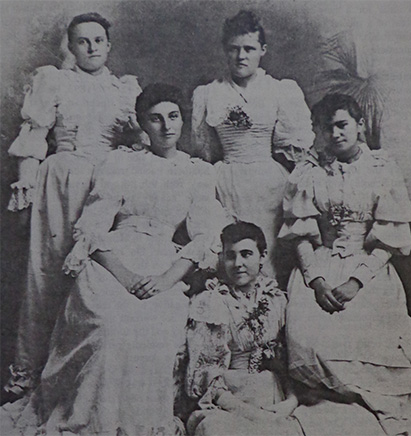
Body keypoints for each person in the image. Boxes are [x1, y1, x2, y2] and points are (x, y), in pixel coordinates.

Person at [1, 83, 225, 435]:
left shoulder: (198, 171)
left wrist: (166, 280)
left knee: (149, 331)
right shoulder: (121, 162)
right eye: (155, 119)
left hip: (165, 265)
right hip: (112, 258)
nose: (166, 126)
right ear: (141, 124)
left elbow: (204, 237)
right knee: (110, 328)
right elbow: (91, 227)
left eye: (173, 117)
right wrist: (122, 274)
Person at [280, 93, 411, 435]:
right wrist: (316, 280)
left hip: (367, 269)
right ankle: (335, 410)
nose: (335, 134)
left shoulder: (380, 168)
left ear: (359, 126)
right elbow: (301, 234)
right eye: (327, 128)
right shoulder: (309, 172)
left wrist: (356, 282)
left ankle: (366, 411)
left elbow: (390, 237)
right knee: (309, 336)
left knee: (367, 334)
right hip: (320, 266)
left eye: (342, 125)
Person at [5, 12, 142, 397]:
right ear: (72, 46)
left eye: (98, 40)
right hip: (63, 182)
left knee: (99, 273)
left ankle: (86, 377)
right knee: (49, 270)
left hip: (110, 184)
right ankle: (33, 373)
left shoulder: (124, 89)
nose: (92, 47)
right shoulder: (55, 81)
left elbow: (141, 136)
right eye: (83, 41)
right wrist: (26, 186)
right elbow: (33, 137)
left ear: (109, 44)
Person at [191, 10, 314, 280]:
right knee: (231, 253)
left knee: (268, 256)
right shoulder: (209, 93)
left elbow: (295, 145)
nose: (241, 56)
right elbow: (206, 149)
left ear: (263, 50)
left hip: (268, 182)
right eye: (234, 49)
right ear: (225, 50)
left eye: (249, 48)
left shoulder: (279, 90)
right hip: (225, 180)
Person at [184, 222, 303, 436]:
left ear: (262, 256)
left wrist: (291, 401)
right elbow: (205, 372)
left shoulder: (277, 300)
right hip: (229, 399)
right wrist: (250, 413)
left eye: (246, 254)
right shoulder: (211, 302)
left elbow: (287, 361)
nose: (238, 263)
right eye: (231, 255)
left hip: (273, 395)